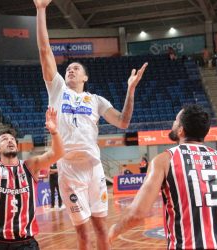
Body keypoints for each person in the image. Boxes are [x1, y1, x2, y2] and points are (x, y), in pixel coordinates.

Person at [34, 1, 147, 248]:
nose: (71, 71)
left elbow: (124, 121)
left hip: (94, 168)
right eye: (69, 69)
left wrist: (130, 89)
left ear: (86, 77)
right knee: (83, 235)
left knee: (101, 230)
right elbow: (44, 50)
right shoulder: (57, 90)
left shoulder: (95, 100)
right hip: (69, 169)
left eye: (76, 69)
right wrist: (41, 10)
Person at [108, 104, 217, 249]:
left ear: (181, 131)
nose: (173, 123)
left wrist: (113, 231)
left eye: (176, 121)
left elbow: (137, 213)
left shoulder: (164, 160)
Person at [0, 91, 64, 249]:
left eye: (12, 139)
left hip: (26, 243)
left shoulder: (30, 166)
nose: (10, 141)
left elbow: (57, 153)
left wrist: (54, 131)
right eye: (4, 139)